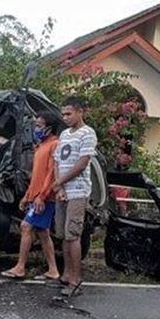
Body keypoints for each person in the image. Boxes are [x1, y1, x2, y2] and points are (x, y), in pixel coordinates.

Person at [0, 113, 60, 281]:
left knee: (26, 226)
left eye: (40, 126)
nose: (36, 129)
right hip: (38, 196)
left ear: (49, 127)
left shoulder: (55, 145)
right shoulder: (41, 146)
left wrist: (42, 196)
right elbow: (37, 176)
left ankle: (20, 267)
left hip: (45, 198)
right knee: (42, 232)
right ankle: (53, 269)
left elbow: (51, 174)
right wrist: (28, 196)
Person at [53, 96, 98, 297]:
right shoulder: (64, 134)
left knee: (73, 235)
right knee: (62, 234)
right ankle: (66, 274)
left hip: (78, 191)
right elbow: (57, 160)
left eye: (69, 113)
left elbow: (82, 164)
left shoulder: (87, 133)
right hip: (62, 190)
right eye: (63, 114)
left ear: (80, 112)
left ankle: (76, 279)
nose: (65, 118)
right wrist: (58, 185)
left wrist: (61, 181)